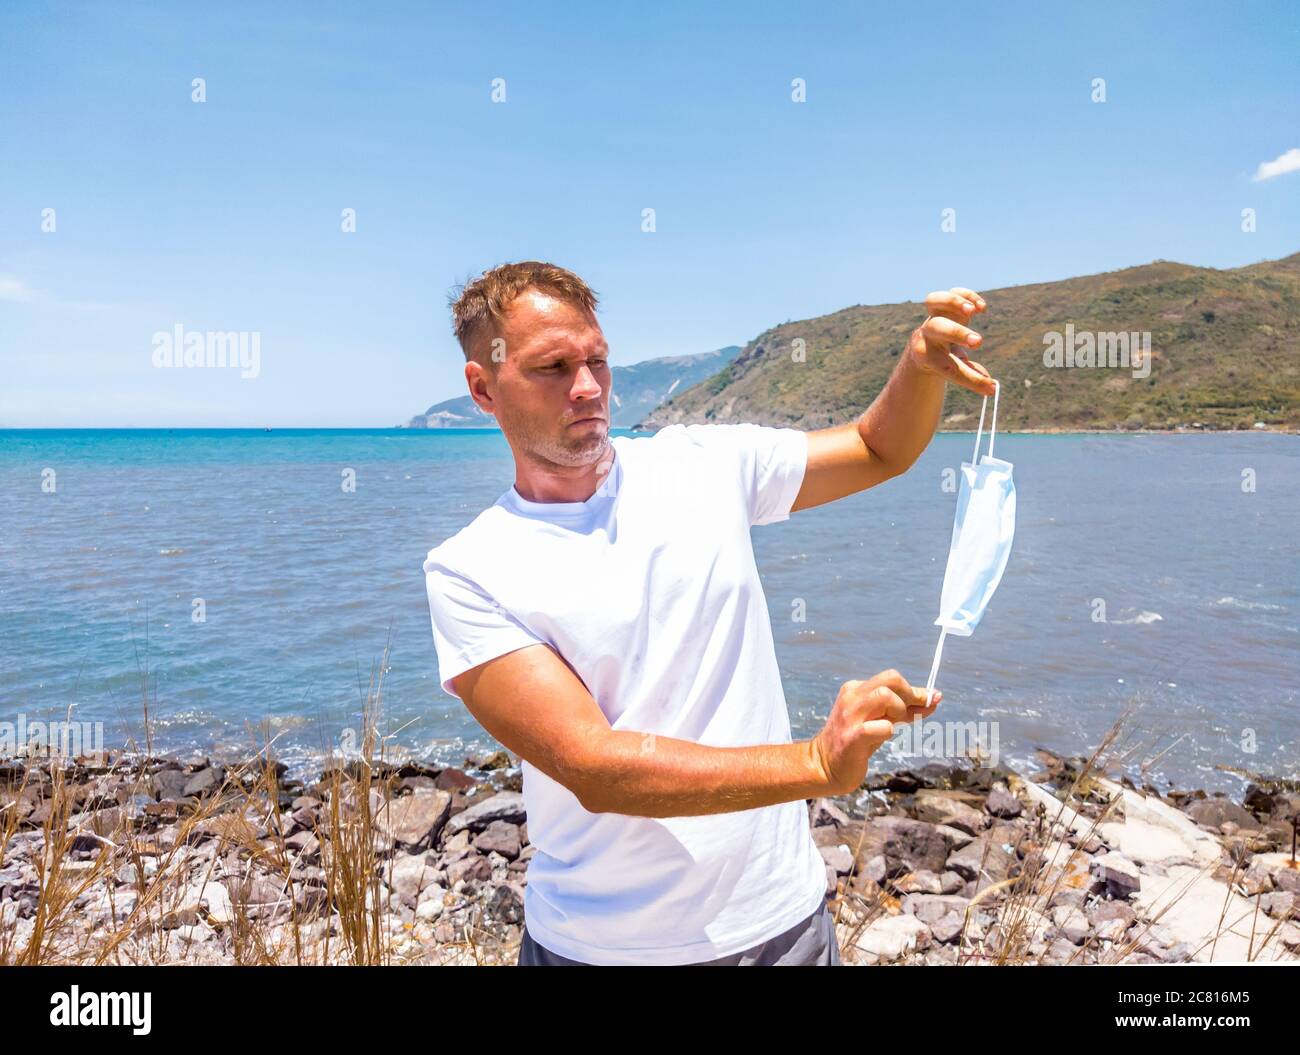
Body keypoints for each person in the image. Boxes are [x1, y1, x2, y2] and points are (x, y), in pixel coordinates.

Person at [423, 261, 995, 966]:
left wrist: (918, 366)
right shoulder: (470, 568)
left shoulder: (699, 464)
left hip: (783, 925)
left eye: (598, 360)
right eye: (553, 367)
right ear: (483, 387)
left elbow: (879, 447)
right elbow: (596, 766)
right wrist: (816, 761)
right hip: (599, 949)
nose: (587, 387)